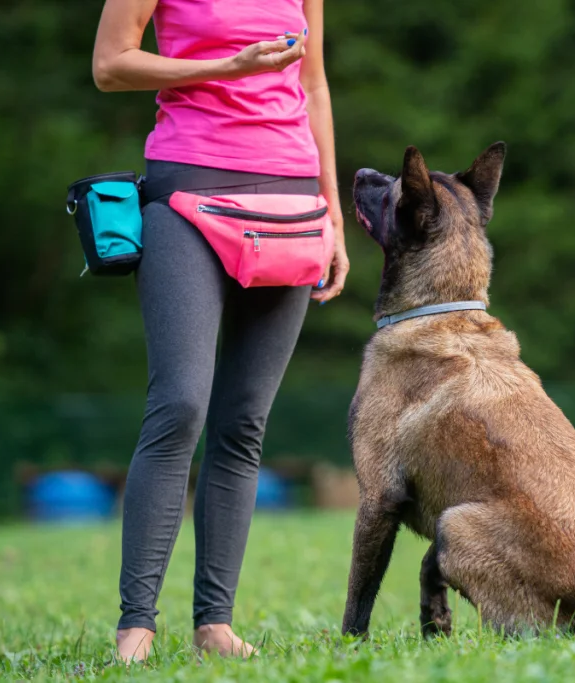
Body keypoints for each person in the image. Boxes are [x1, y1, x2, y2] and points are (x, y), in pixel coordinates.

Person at [91, 0, 348, 662]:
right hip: (187, 189)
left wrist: (334, 215)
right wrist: (223, 66)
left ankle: (215, 622)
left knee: (243, 423)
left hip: (291, 198)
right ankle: (135, 624)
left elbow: (313, 83)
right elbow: (110, 65)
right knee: (179, 402)